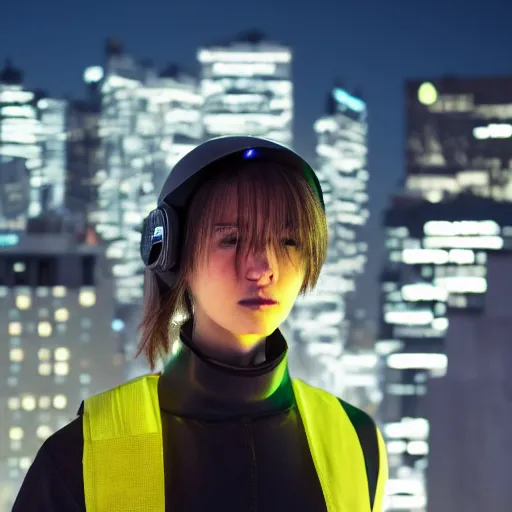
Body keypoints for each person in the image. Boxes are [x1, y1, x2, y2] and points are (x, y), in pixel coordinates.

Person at [13, 136, 388, 512]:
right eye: (232, 239)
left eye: (289, 240)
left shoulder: (356, 441)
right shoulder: (80, 455)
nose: (262, 268)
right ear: (172, 253)